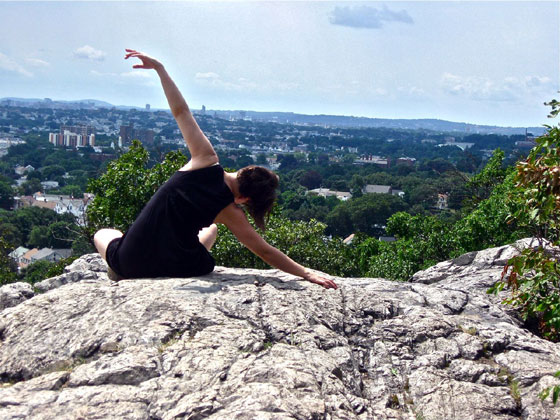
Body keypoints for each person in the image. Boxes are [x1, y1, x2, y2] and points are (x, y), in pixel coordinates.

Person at [93, 49, 338, 290]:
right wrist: (306, 273)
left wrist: (160, 69)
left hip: (130, 265)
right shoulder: (230, 210)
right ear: (244, 199)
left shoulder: (205, 159)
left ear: (246, 169)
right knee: (212, 228)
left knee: (104, 233)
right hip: (181, 266)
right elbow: (264, 250)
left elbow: (181, 112)